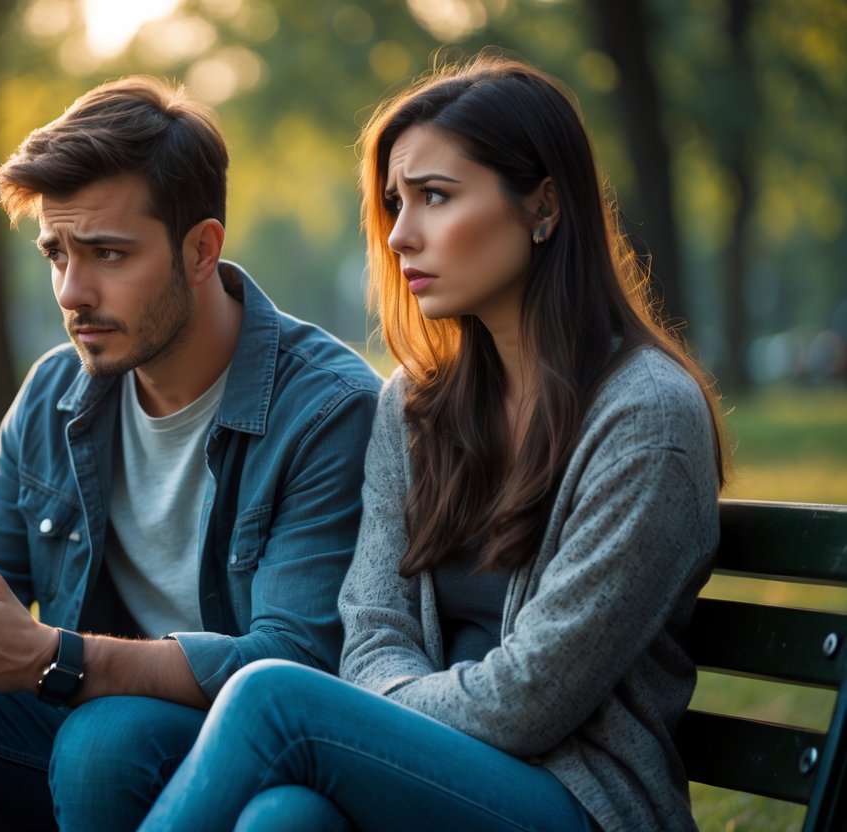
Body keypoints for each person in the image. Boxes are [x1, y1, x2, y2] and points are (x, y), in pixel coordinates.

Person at [139, 54, 726, 832]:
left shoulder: (645, 419)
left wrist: (374, 720)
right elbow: (372, 629)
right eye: (393, 202)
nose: (400, 234)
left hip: (581, 803)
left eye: (435, 198)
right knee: (285, 820)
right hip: (428, 777)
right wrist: (376, 726)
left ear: (542, 207)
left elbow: (529, 698)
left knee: (271, 695)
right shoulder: (416, 407)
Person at [0, 76, 381, 832]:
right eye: (56, 254)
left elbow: (292, 664)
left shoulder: (327, 409)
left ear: (201, 249)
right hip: (80, 733)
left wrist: (53, 658)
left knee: (109, 740)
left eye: (107, 253)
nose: (71, 291)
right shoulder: (54, 391)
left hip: (244, 754)